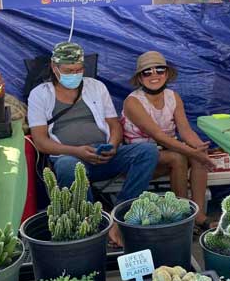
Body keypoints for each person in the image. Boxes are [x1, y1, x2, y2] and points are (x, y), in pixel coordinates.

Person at [27, 42, 159, 244]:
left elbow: (114, 125)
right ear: (55, 68)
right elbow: (41, 141)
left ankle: (121, 214)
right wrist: (77, 151)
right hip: (69, 157)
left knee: (148, 151)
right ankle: (95, 225)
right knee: (68, 166)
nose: (75, 74)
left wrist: (114, 145)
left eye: (79, 69)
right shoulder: (40, 94)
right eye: (69, 70)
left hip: (104, 153)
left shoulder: (96, 87)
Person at [120, 51, 216, 232]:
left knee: (198, 154)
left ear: (167, 74)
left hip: (167, 150)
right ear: (139, 78)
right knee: (178, 157)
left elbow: (185, 130)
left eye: (160, 70)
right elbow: (158, 135)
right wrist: (191, 151)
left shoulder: (173, 97)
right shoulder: (133, 102)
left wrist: (199, 148)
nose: (154, 75)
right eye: (147, 72)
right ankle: (181, 215)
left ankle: (197, 213)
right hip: (140, 160)